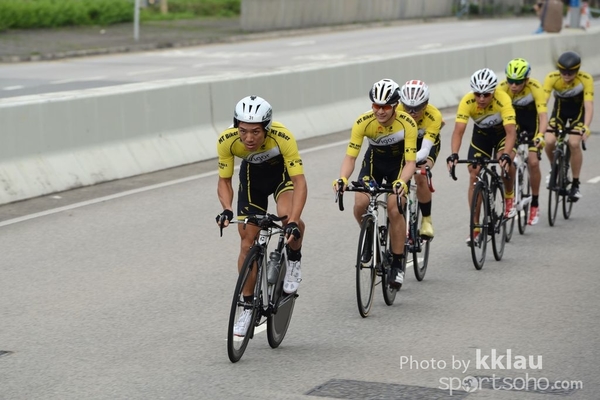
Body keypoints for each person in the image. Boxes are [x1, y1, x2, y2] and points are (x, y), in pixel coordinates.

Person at [216, 95, 307, 336]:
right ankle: (247, 307)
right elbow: (224, 180)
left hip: (281, 177)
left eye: (256, 132)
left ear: (266, 127)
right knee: (247, 241)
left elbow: (299, 181)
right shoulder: (227, 140)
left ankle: (294, 259)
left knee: (287, 217)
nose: (248, 138)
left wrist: (294, 221)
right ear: (236, 126)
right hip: (252, 180)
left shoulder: (283, 137)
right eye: (243, 131)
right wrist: (227, 208)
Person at [333, 79, 417, 289]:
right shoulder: (363, 122)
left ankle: (397, 262)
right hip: (374, 164)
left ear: (395, 105)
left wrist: (402, 181)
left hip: (399, 166)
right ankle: (369, 236)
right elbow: (351, 157)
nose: (380, 111)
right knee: (360, 203)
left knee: (395, 208)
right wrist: (343, 178)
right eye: (376, 105)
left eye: (385, 107)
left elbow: (410, 162)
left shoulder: (407, 123)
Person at [446, 68, 517, 245]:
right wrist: (454, 154)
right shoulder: (467, 101)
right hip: (482, 136)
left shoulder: (503, 99)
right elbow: (458, 131)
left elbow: (511, 132)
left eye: (486, 94)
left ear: (493, 91)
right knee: (474, 173)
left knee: (505, 161)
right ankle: (475, 228)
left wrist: (506, 155)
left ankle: (509, 197)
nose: (482, 98)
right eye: (478, 94)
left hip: (502, 135)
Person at [498, 58, 548, 225]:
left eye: (518, 82)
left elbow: (543, 116)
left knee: (533, 162)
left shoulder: (535, 87)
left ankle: (535, 203)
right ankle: (510, 197)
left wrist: (541, 135)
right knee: (506, 160)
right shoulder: (502, 88)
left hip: (532, 126)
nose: (513, 85)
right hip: (514, 126)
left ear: (526, 80)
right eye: (510, 81)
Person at [543, 51, 594, 200]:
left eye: (570, 72)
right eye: (562, 71)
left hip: (578, 114)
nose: (566, 75)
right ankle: (555, 169)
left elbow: (589, 106)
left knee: (574, 143)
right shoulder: (551, 78)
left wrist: (586, 127)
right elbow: (543, 103)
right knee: (549, 141)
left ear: (577, 70)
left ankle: (575, 185)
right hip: (559, 113)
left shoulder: (585, 79)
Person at [397, 80, 444, 237]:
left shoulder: (434, 115)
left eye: (417, 108)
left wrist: (410, 162)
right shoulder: (396, 111)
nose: (412, 112)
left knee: (420, 175)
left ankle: (426, 219)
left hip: (425, 145)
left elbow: (425, 150)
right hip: (406, 143)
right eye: (407, 107)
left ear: (426, 103)